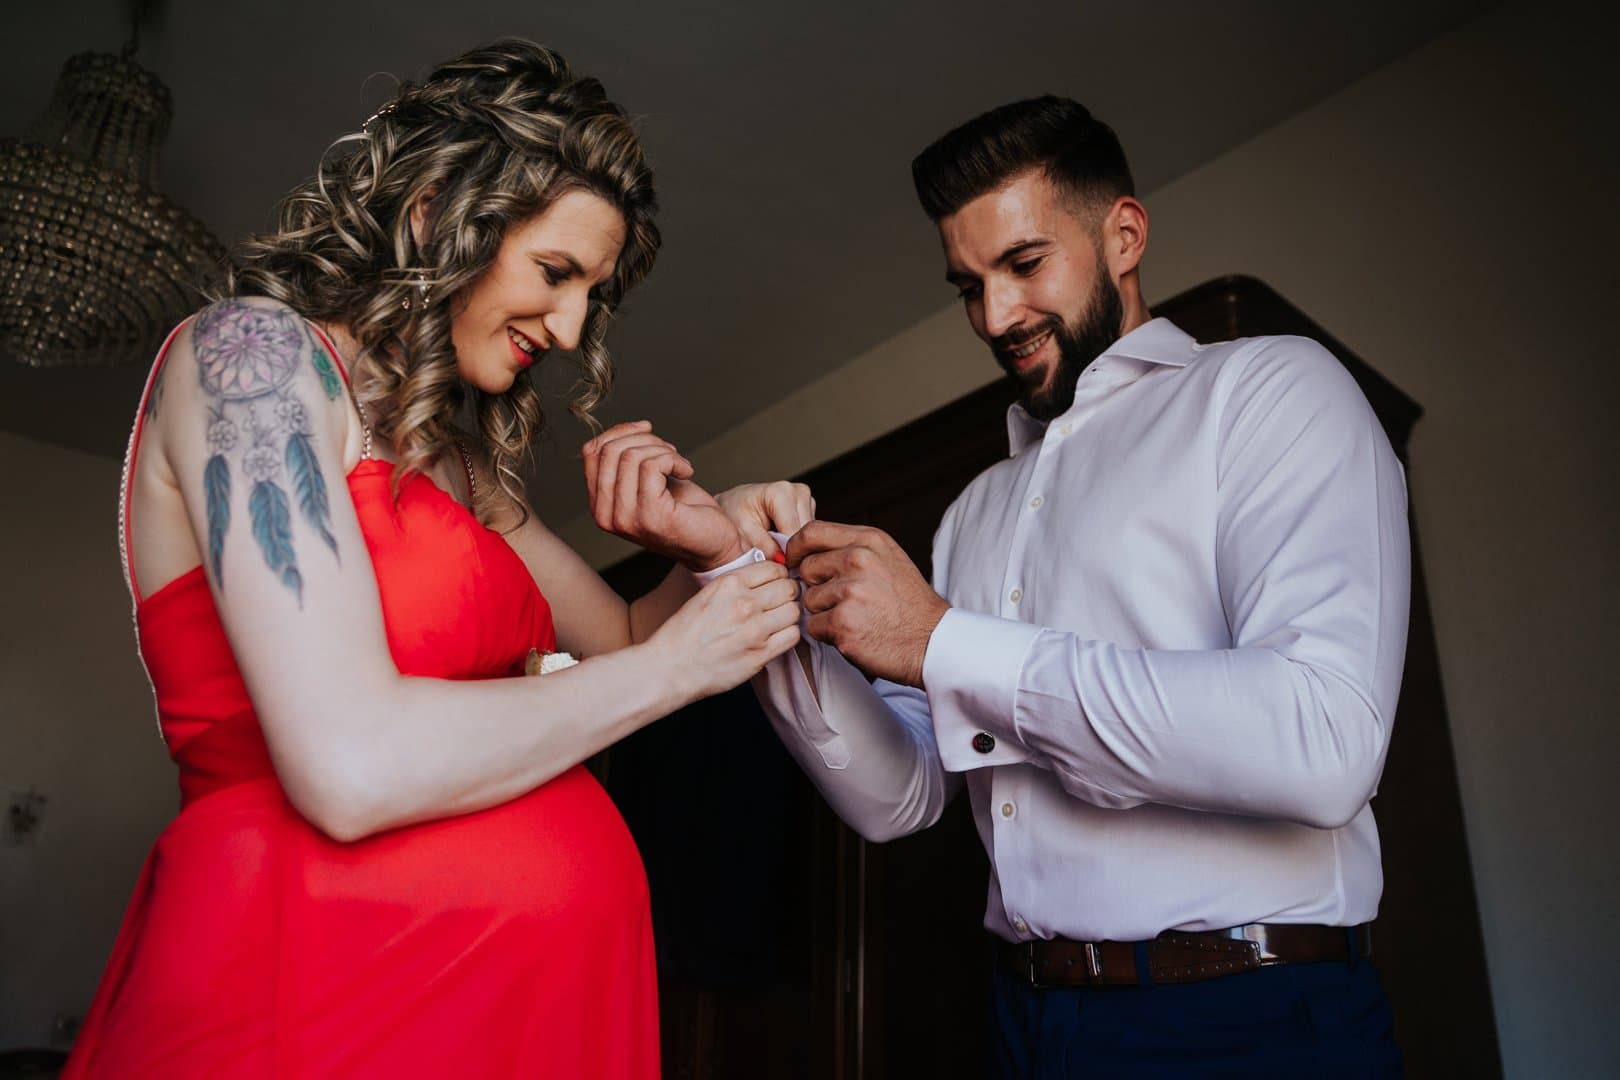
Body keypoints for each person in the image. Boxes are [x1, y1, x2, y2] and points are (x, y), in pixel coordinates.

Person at [65, 40, 802, 1078]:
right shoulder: (256, 364)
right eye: (556, 273)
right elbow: (349, 767)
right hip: (313, 997)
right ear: (435, 211)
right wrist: (675, 672)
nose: (573, 322)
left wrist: (709, 540)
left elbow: (628, 634)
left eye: (594, 293)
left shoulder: (458, 464)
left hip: (514, 1021)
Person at [742, 98, 1411, 1076]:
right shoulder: (975, 510)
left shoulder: (1268, 391)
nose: (995, 316)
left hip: (1253, 1019)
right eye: (969, 285)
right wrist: (762, 604)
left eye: (1023, 265)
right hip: (1027, 1021)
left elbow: (1325, 739)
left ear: (1124, 235)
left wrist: (941, 641)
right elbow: (906, 795)